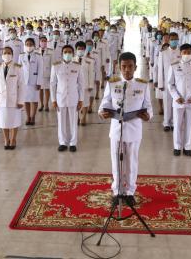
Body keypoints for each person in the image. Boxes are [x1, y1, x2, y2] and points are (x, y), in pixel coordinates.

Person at [98, 52, 152, 205]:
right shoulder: (112, 83)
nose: (127, 70)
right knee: (116, 161)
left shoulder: (142, 85)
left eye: (130, 66)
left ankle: (129, 192)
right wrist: (102, 113)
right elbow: (105, 103)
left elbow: (148, 106)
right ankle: (117, 192)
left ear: (135, 67)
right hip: (116, 130)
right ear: (119, 68)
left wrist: (148, 116)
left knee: (131, 162)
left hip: (134, 130)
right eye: (123, 67)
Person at [168, 44, 191, 156]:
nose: (187, 54)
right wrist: (176, 97)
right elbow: (170, 84)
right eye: (184, 52)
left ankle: (187, 147)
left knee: (189, 125)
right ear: (181, 53)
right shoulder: (174, 66)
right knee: (177, 125)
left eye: (189, 52)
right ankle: (177, 147)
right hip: (178, 101)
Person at [50, 45, 84, 152]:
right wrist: (53, 100)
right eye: (65, 52)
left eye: (70, 52)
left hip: (74, 97)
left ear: (73, 54)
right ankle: (63, 142)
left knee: (74, 121)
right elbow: (52, 84)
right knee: (61, 121)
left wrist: (81, 99)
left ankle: (73, 143)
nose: (67, 54)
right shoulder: (56, 66)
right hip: (60, 97)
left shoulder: (77, 66)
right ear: (62, 54)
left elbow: (81, 84)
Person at [0, 46, 25, 150]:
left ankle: (13, 139)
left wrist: (20, 101)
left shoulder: (18, 67)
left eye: (9, 53)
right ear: (2, 55)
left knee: (14, 120)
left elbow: (22, 85)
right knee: (3, 121)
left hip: (14, 100)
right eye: (5, 53)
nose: (7, 55)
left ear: (12, 55)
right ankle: (6, 139)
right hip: (1, 100)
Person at [157, 32, 181, 131]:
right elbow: (160, 69)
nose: (174, 41)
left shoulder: (181, 52)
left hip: (179, 82)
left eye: (176, 39)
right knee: (167, 102)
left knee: (177, 102)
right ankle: (166, 123)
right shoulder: (163, 52)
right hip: (167, 82)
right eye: (172, 39)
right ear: (169, 40)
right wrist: (160, 83)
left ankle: (175, 123)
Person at [20, 38, 43, 125]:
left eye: (30, 44)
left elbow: (40, 70)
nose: (29, 46)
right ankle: (28, 116)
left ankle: (33, 117)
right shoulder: (21, 56)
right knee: (26, 100)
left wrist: (39, 82)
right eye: (27, 44)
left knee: (34, 100)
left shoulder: (38, 55)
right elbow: (19, 70)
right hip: (24, 82)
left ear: (34, 46)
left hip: (34, 82)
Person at [74, 41, 95, 126]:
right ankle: (77, 117)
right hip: (75, 86)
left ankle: (84, 117)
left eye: (82, 49)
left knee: (85, 102)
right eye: (79, 49)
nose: (80, 50)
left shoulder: (89, 60)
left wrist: (91, 85)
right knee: (76, 102)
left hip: (86, 85)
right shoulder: (72, 60)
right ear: (76, 50)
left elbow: (91, 73)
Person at [37, 36, 53, 112]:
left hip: (47, 73)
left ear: (47, 42)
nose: (43, 42)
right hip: (39, 74)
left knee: (47, 89)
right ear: (39, 42)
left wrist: (52, 75)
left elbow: (52, 64)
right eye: (42, 41)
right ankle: (41, 104)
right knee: (40, 89)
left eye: (44, 41)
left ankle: (46, 104)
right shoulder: (36, 51)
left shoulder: (51, 51)